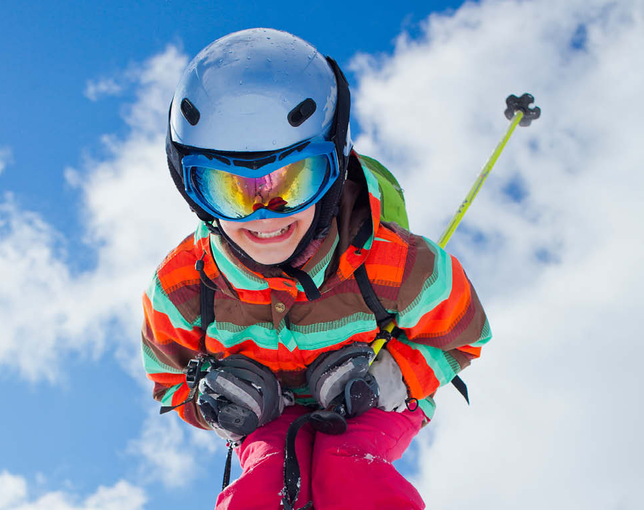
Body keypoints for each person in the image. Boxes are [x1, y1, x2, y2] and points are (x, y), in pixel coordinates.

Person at [141, 28, 491, 510]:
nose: (266, 216)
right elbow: (168, 378)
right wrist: (214, 400)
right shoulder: (182, 288)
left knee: (344, 466)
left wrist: (389, 378)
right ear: (189, 185)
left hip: (372, 401)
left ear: (333, 170)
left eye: (293, 181)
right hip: (267, 416)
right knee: (265, 484)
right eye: (229, 190)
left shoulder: (401, 266)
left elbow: (460, 335)